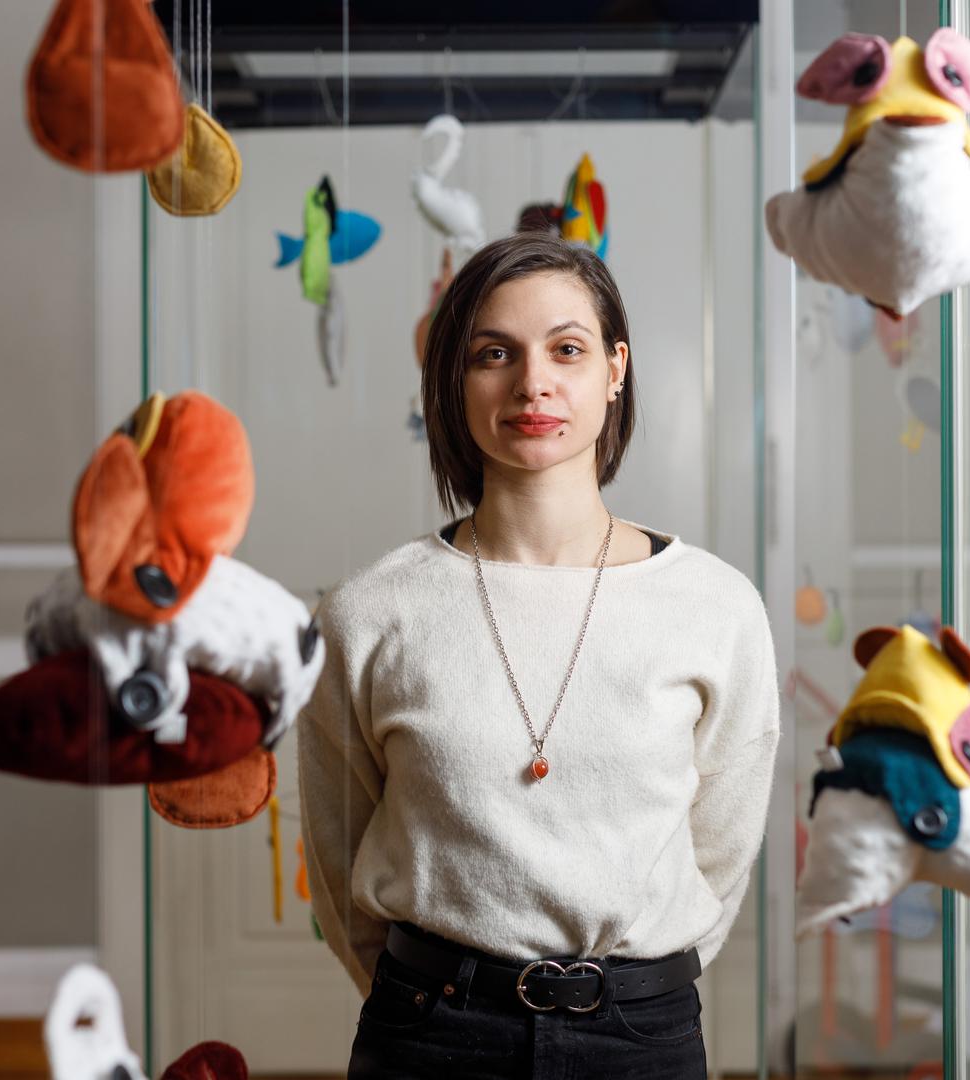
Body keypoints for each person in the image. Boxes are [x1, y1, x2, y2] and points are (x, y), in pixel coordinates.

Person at [299, 231, 781, 1079]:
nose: (533, 384)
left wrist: (630, 987)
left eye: (567, 349)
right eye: (494, 354)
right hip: (431, 1031)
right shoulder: (367, 612)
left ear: (615, 368)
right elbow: (339, 864)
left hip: (642, 1036)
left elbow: (720, 852)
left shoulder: (716, 605)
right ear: (454, 379)